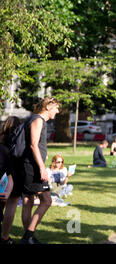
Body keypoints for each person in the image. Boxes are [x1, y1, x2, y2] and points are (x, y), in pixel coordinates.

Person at [16, 97, 59, 244]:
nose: (58, 111)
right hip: (32, 167)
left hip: (29, 165)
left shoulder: (36, 119)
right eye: (56, 108)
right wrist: (42, 168)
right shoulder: (38, 120)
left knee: (28, 201)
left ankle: (28, 238)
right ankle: (28, 236)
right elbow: (34, 145)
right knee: (46, 200)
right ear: (48, 107)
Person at [0, 116, 20, 244]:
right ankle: (5, 236)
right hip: (11, 174)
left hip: (6, 176)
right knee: (12, 203)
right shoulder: (18, 140)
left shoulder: (1, 141)